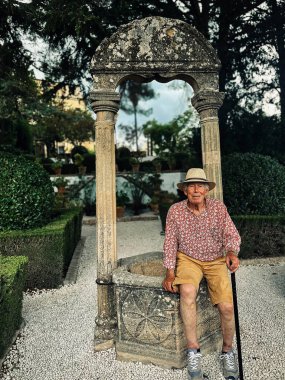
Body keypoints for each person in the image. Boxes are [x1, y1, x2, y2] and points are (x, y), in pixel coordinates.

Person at [162, 168, 241, 380]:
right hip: (188, 259)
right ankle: (193, 351)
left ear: (206, 190)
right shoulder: (175, 211)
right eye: (191, 186)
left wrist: (232, 252)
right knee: (187, 291)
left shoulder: (218, 208)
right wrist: (170, 272)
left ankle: (227, 351)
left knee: (226, 306)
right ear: (185, 190)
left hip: (215, 260)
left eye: (200, 186)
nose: (195, 190)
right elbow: (170, 242)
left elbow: (231, 234)